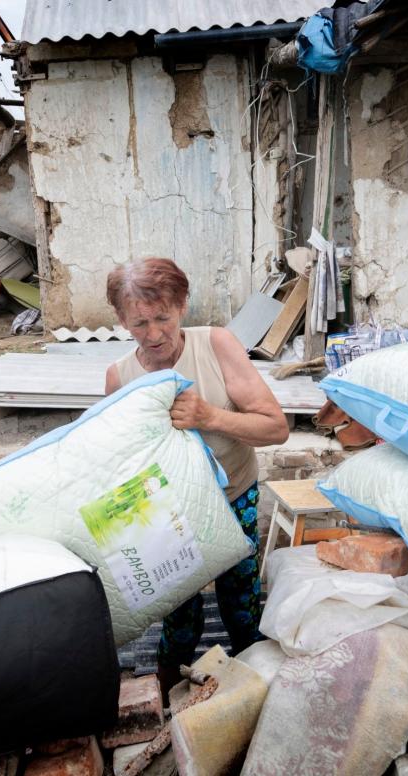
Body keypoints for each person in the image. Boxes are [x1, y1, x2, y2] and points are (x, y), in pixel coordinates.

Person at [104, 257, 289, 692]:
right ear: (121, 320)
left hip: (233, 497)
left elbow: (276, 428)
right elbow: (116, 462)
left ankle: (252, 696)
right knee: (179, 621)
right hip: (170, 516)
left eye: (162, 319)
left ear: (183, 305)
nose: (153, 335)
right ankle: (170, 708)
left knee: (241, 609)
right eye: (139, 324)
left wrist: (209, 415)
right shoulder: (120, 377)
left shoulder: (217, 346)